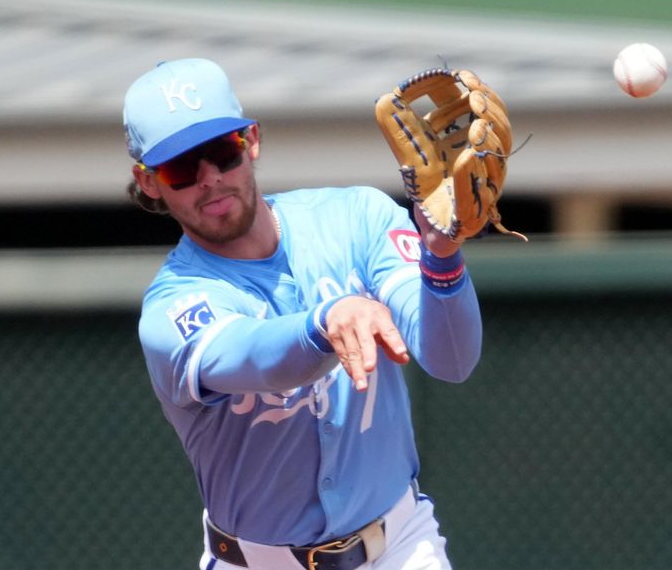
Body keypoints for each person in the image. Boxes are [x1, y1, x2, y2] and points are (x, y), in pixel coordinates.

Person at [123, 58, 483, 570]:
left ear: (251, 141)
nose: (208, 179)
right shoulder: (173, 304)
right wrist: (324, 322)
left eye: (221, 153)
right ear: (150, 182)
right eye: (181, 168)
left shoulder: (357, 218)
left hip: (399, 547)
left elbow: (452, 361)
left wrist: (442, 258)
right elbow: (256, 358)